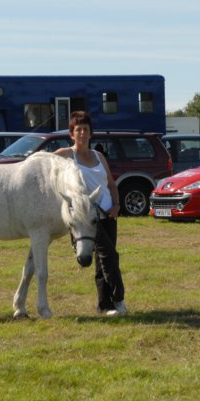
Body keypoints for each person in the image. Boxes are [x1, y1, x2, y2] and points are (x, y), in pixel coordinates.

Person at [54, 111, 127, 316]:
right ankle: (119, 301)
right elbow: (42, 164)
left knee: (103, 260)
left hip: (108, 214)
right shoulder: (66, 154)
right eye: (78, 130)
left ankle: (104, 305)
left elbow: (111, 184)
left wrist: (116, 205)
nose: (82, 133)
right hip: (87, 217)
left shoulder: (98, 156)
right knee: (108, 256)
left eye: (86, 129)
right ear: (71, 134)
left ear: (91, 133)